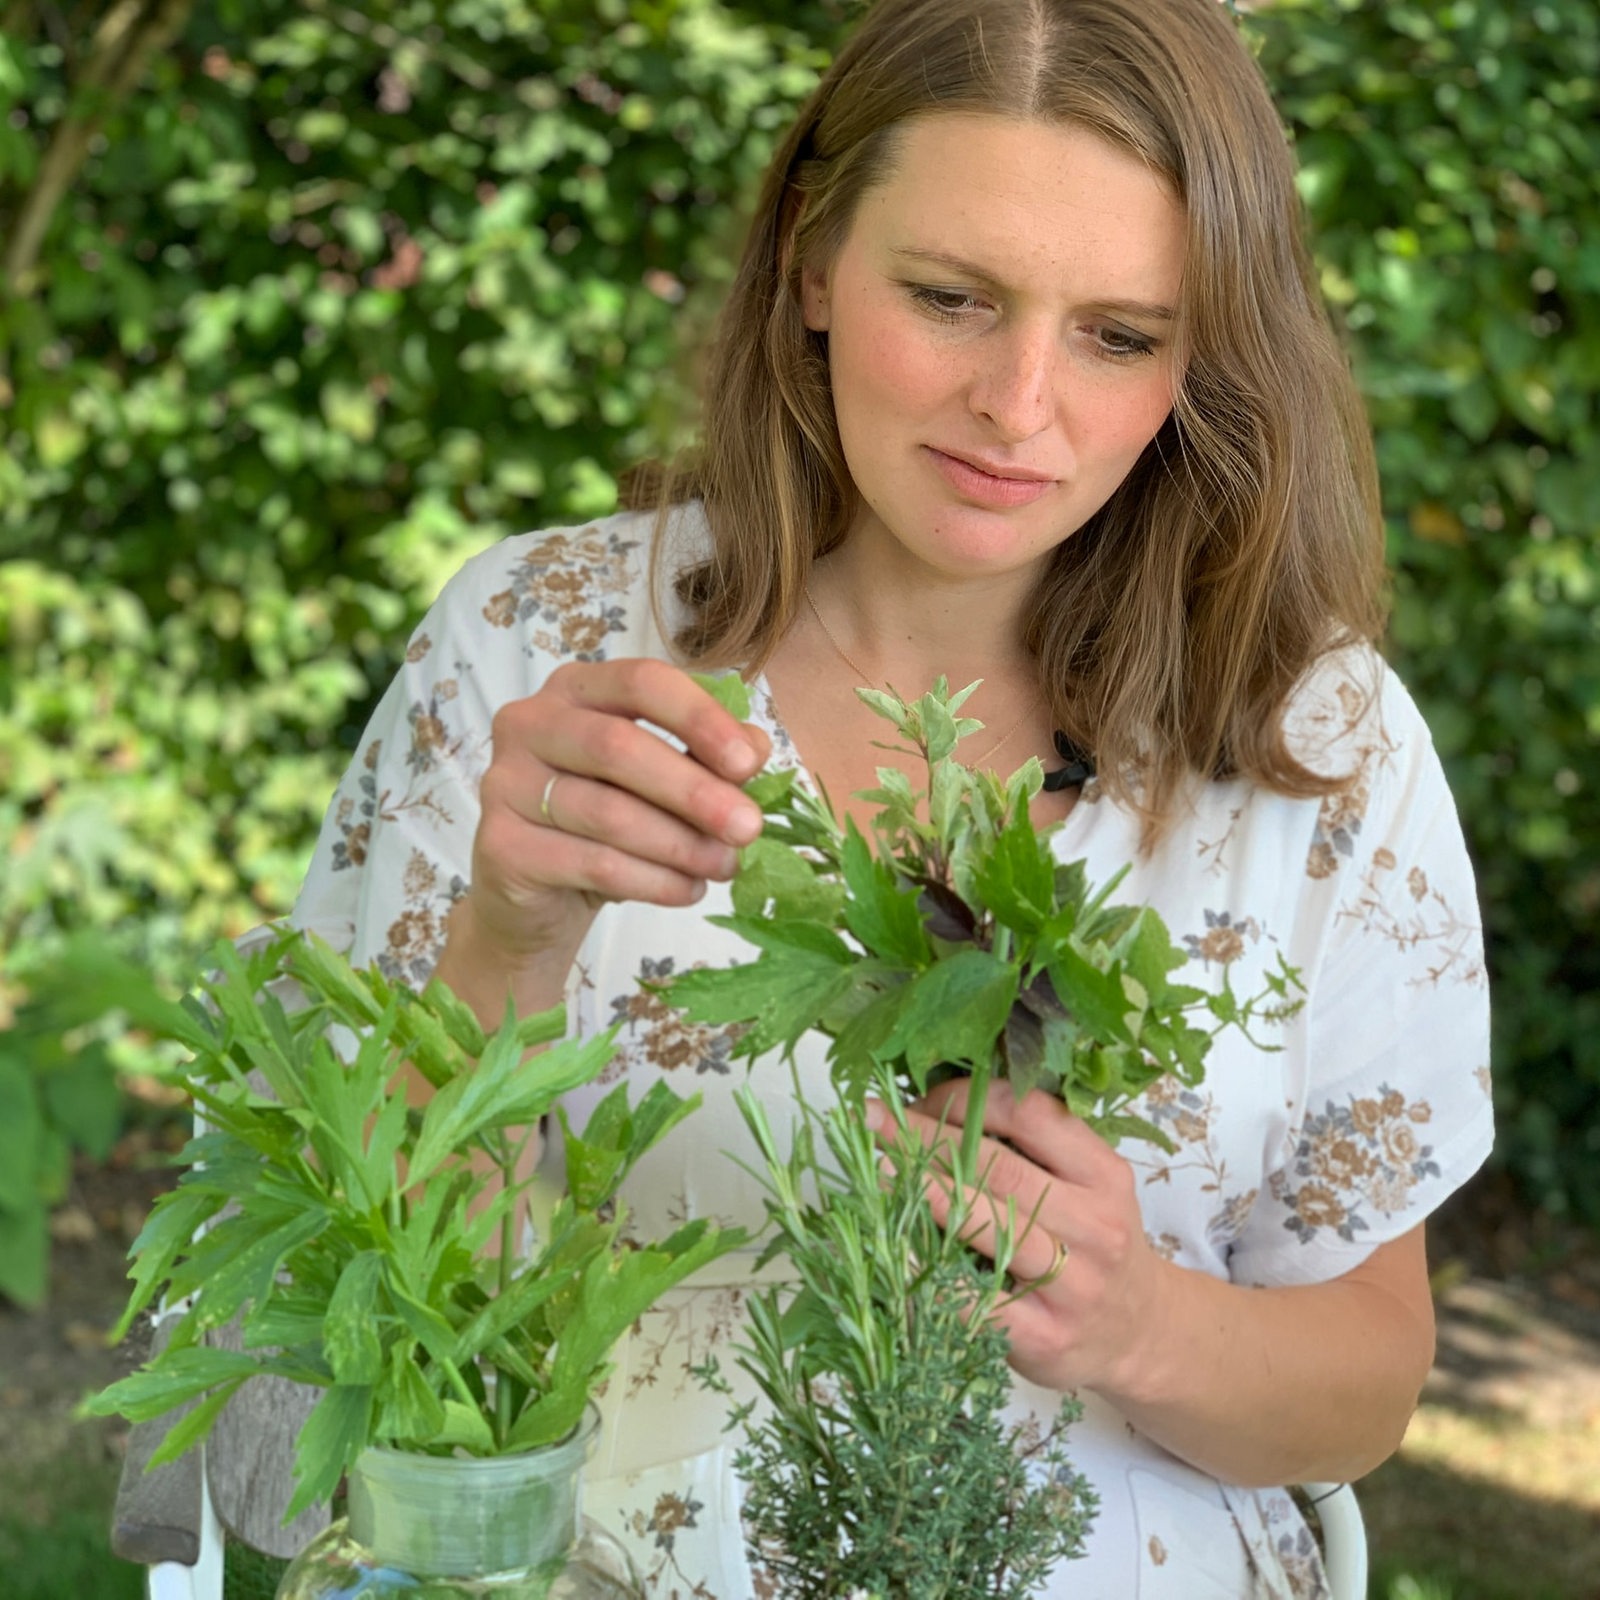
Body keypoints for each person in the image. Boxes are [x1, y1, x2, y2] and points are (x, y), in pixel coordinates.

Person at [284, 0, 1493, 1593]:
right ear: (811, 264)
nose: (1019, 402)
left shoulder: (1311, 744)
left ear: (1206, 355)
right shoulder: (540, 649)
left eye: (1122, 334)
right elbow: (351, 1315)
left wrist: (1138, 1322)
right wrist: (504, 945)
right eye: (950, 298)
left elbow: (1367, 1382)